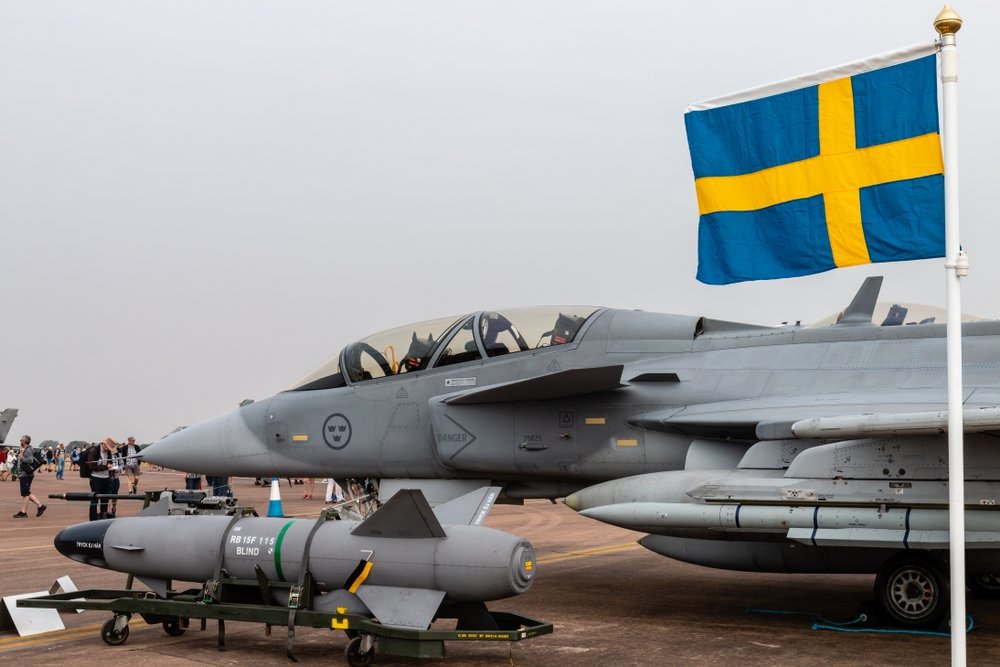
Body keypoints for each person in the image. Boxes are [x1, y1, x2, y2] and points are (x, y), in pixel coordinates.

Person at [13, 436, 46, 518]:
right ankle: (40, 506)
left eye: (21, 440)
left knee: (25, 493)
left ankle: (23, 512)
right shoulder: (25, 449)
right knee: (26, 492)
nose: (20, 441)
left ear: (24, 441)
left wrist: (22, 457)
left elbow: (30, 460)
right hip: (23, 474)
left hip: (26, 474)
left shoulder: (28, 450)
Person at [86, 438, 119, 520]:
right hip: (96, 478)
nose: (109, 449)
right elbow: (91, 466)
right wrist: (105, 467)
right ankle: (93, 519)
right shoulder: (94, 451)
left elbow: (110, 462)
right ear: (103, 444)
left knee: (105, 499)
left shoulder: (109, 452)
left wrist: (112, 467)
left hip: (107, 478)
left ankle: (103, 516)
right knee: (94, 499)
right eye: (108, 447)